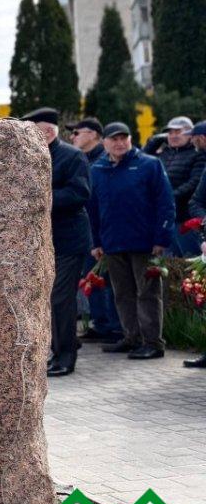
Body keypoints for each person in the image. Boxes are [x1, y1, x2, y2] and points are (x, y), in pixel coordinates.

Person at [88, 123, 176, 361]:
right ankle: (132, 338)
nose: (119, 143)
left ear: (130, 139)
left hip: (144, 243)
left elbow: (166, 203)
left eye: (123, 138)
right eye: (114, 139)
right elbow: (93, 209)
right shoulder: (97, 169)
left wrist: (161, 238)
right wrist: (96, 242)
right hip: (113, 243)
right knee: (122, 294)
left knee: (148, 294)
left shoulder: (150, 165)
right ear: (104, 143)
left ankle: (153, 343)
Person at [23, 109, 91, 378]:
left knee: (61, 299)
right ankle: (56, 351)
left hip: (68, 241)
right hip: (43, 243)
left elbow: (80, 193)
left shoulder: (72, 156)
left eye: (34, 130)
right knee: (47, 300)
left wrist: (42, 199)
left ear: (49, 131)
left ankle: (65, 357)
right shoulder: (31, 155)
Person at [67, 118, 124, 344]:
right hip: (87, 228)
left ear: (93, 134)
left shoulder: (104, 159)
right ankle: (100, 324)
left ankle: (114, 327)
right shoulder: (81, 158)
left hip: (105, 228)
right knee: (93, 278)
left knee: (108, 280)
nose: (72, 137)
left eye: (76, 133)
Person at [154, 116, 205, 256]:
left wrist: (169, 197)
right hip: (168, 217)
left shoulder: (198, 154)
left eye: (178, 132)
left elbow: (194, 182)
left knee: (190, 258)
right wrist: (157, 140)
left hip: (186, 217)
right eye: (170, 132)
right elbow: (143, 157)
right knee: (170, 263)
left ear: (191, 135)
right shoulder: (165, 153)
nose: (173, 136)